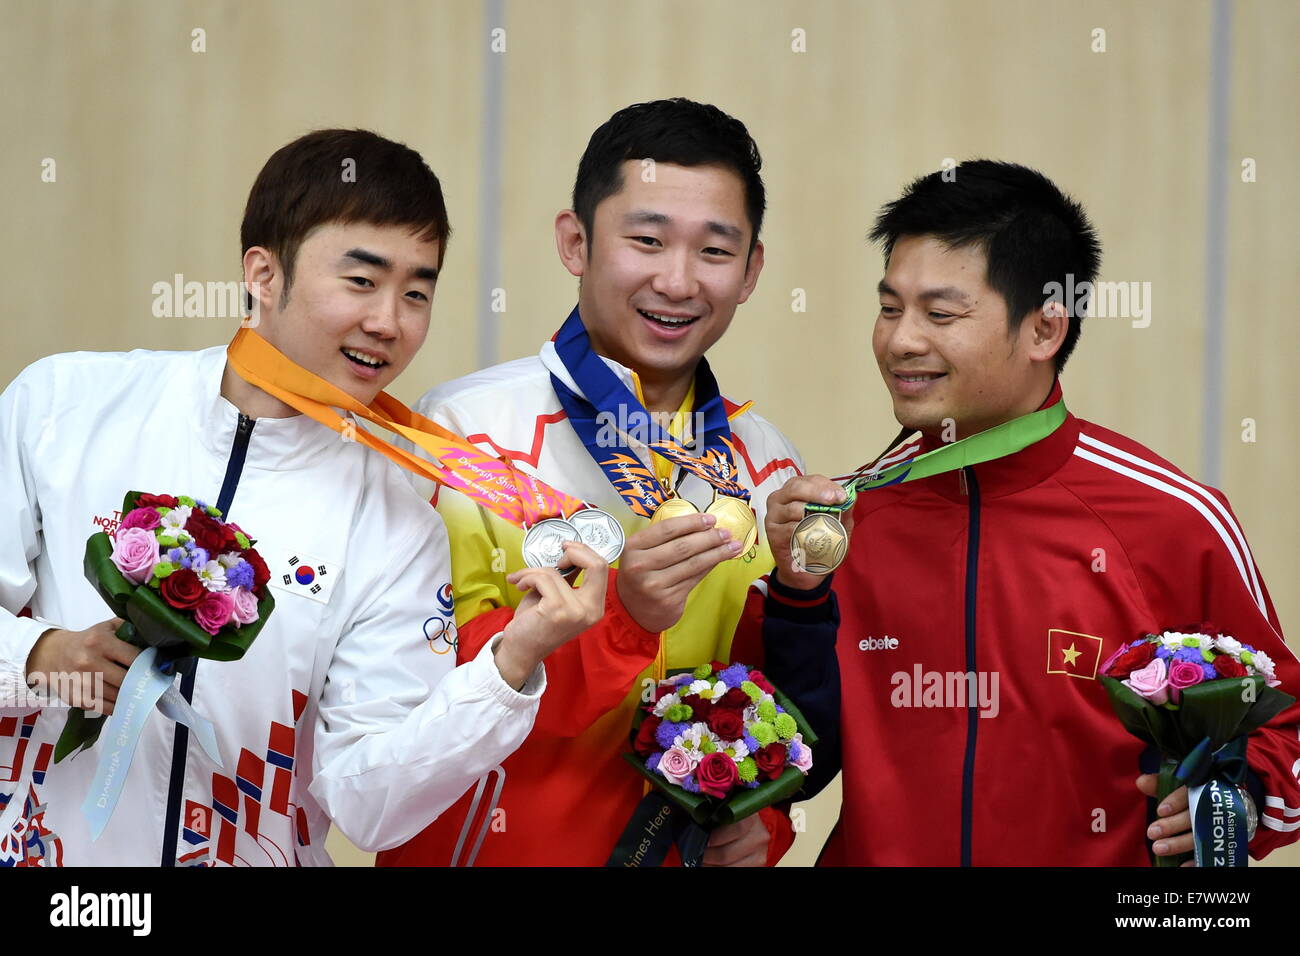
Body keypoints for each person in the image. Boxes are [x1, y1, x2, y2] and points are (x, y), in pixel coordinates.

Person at [0, 128, 606, 867]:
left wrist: (513, 662)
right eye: (362, 280)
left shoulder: (397, 520)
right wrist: (41, 655)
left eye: (417, 291)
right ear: (262, 272)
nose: (389, 321)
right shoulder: (64, 403)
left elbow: (368, 807)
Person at [759, 159, 1300, 865]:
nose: (900, 341)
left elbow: (1285, 726)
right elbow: (795, 762)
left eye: (940, 314)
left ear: (1045, 329)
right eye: (890, 307)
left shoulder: (1172, 518)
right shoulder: (847, 521)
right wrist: (796, 600)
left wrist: (1236, 802)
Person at [378, 99, 804, 867]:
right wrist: (622, 621)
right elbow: (416, 692)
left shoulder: (768, 469)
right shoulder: (462, 435)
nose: (677, 280)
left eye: (714, 251)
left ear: (751, 272)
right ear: (575, 242)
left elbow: (776, 704)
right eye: (646, 240)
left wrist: (762, 824)